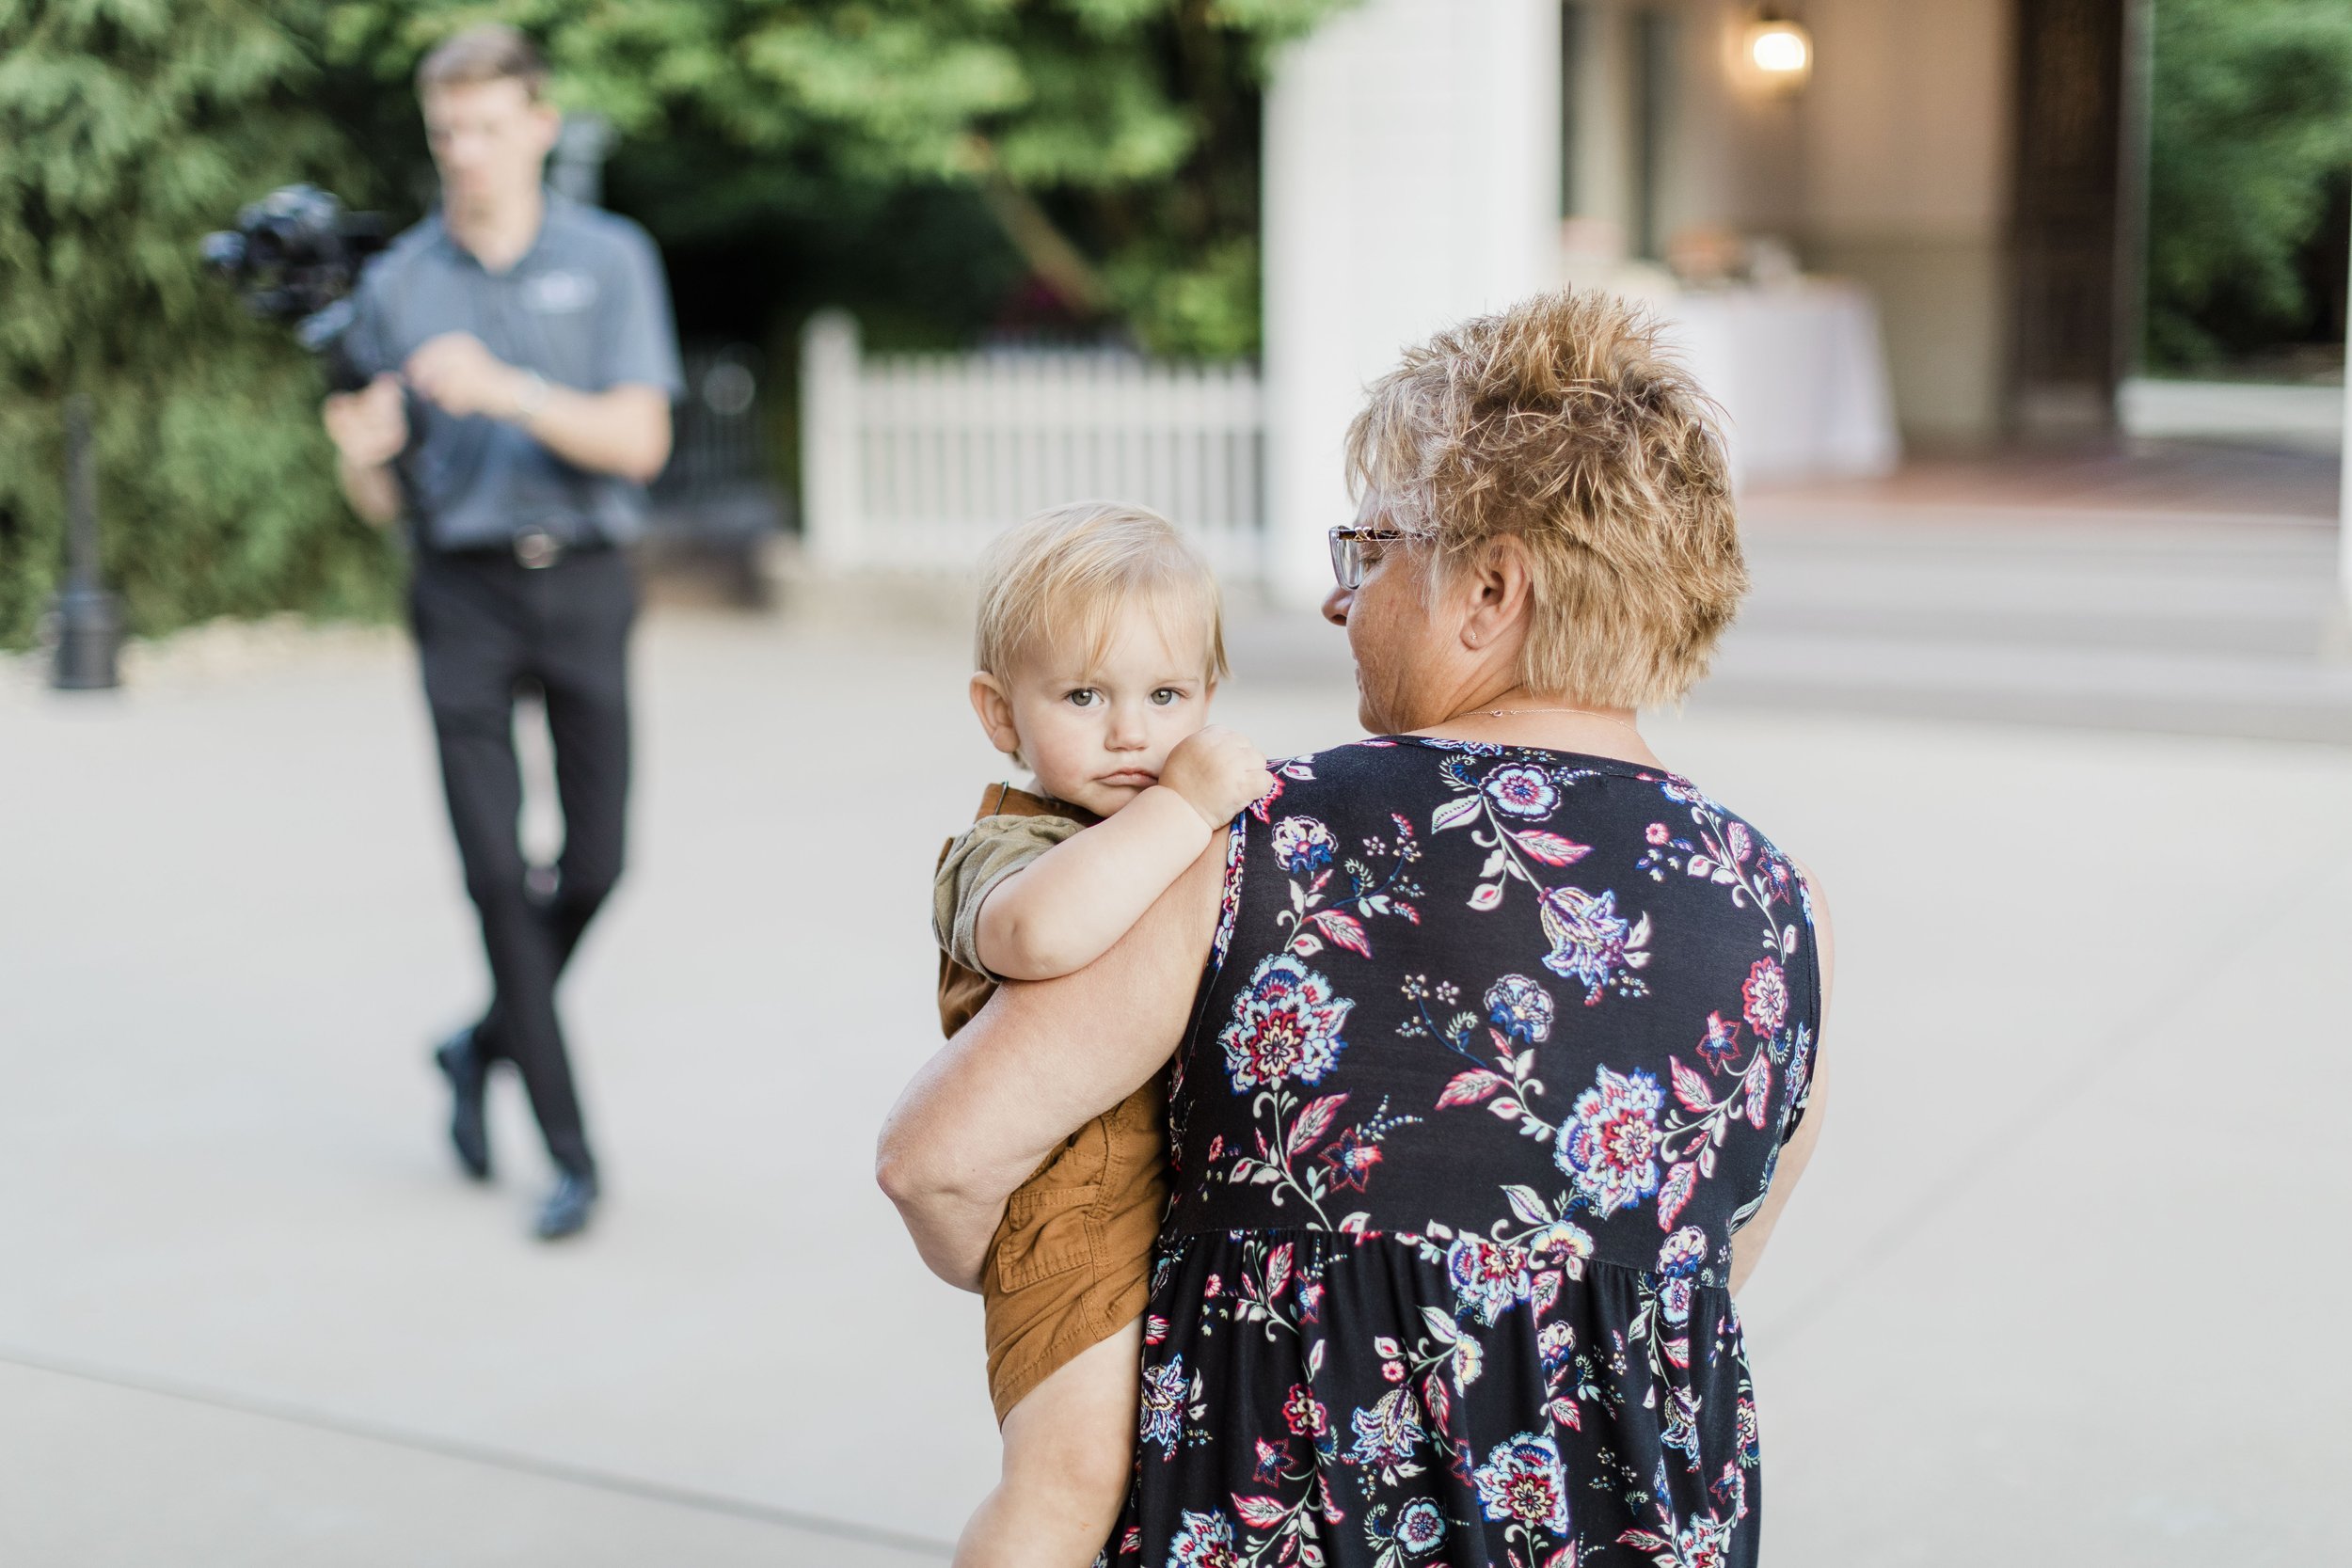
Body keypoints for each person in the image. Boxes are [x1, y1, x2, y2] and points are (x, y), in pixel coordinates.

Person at [880, 289, 1834, 1564]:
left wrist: (1056, 1297)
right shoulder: (1779, 904)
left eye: (1372, 550)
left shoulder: (1267, 833)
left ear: (1489, 589)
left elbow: (938, 1159)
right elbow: (1701, 1270)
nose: (1342, 599)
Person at [320, 24, 682, 1241]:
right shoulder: (397, 283)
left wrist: (510, 388)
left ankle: (477, 1045)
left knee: (594, 865)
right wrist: (362, 457)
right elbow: (381, 493)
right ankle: (572, 1150)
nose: (465, 154)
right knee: (492, 876)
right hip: (458, 589)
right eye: (446, 134)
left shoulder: (614, 258)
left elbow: (641, 442)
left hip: (584, 578)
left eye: (485, 127)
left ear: (538, 123)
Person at [930, 503, 1273, 1568]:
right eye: (1084, 696)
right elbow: (1040, 930)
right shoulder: (1003, 845)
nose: (1131, 732)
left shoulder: (1167, 821)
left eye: (1164, 695)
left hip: (1168, 1202)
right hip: (1070, 1210)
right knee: (1069, 1477)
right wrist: (1183, 810)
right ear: (1000, 713)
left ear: (1206, 700)